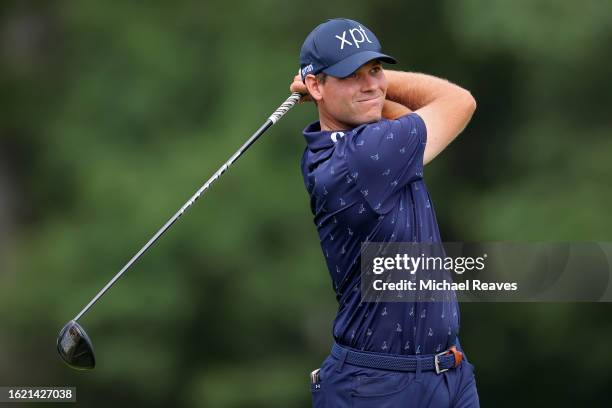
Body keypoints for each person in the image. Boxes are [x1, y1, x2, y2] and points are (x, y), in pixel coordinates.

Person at [290, 18, 479, 407]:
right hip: (379, 387)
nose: (371, 84)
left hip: (448, 373)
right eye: (351, 75)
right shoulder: (359, 159)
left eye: (376, 70)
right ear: (315, 86)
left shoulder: (360, 146)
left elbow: (384, 113)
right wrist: (383, 86)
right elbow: (460, 102)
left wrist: (359, 90)